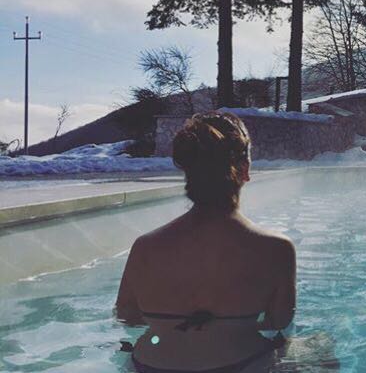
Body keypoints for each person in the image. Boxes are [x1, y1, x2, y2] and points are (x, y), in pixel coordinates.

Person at [115, 111, 296, 373]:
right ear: (245, 170)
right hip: (240, 364)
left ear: (188, 171)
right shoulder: (276, 248)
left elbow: (127, 317)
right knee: (319, 346)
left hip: (150, 365)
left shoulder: (145, 246)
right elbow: (280, 321)